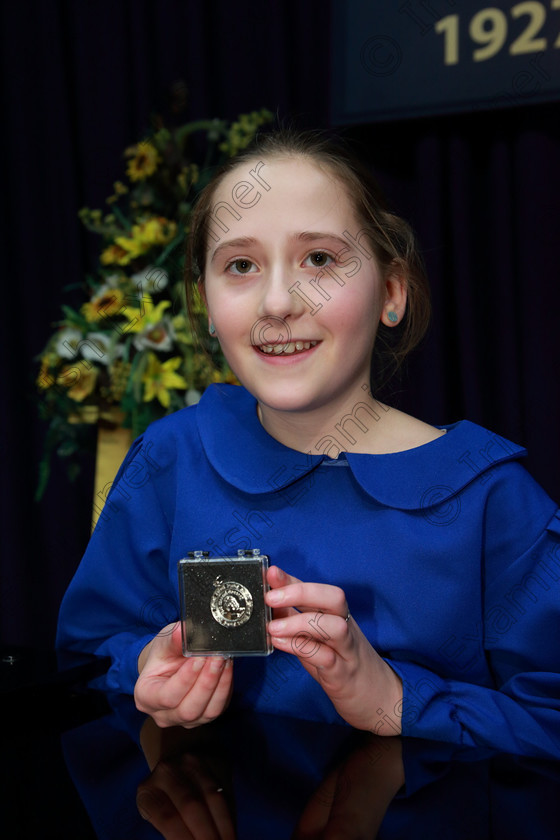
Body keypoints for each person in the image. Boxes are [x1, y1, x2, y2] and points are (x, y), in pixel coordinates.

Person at [57, 130, 560, 759]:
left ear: (392, 293)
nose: (277, 302)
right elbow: (90, 645)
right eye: (240, 265)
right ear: (207, 306)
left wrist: (396, 699)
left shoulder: (491, 500)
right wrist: (145, 668)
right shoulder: (171, 458)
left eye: (319, 259)